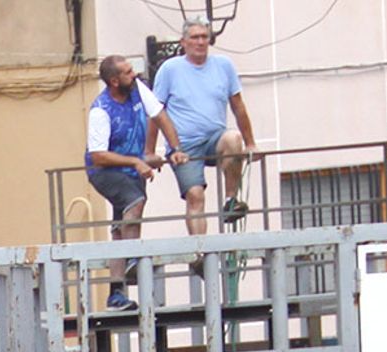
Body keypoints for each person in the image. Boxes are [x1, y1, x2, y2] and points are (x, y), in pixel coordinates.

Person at [87, 56, 187, 310]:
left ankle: (116, 293)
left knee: (120, 228)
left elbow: (160, 116)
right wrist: (136, 161)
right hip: (104, 171)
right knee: (135, 200)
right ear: (114, 81)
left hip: (132, 169)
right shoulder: (101, 110)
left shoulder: (137, 90)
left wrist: (174, 148)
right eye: (128, 72)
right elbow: (98, 155)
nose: (134, 74)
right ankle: (133, 256)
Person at [149, 19, 259, 235]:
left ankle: (230, 200)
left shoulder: (224, 65)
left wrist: (251, 143)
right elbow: (155, 112)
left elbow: (238, 105)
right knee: (195, 195)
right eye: (194, 37)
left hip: (214, 139)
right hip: (183, 146)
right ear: (183, 42)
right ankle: (200, 252)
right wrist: (149, 152)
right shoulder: (170, 69)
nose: (200, 42)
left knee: (233, 139)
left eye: (204, 37)